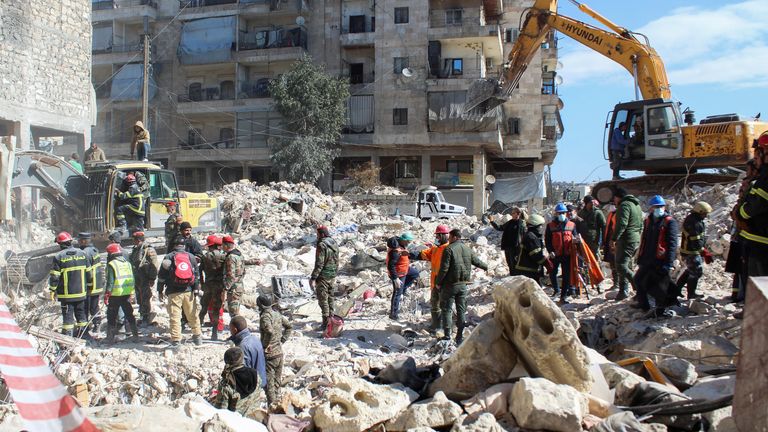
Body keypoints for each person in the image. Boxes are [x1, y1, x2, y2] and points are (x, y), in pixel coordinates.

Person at [435, 229, 488, 344]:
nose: (448, 239)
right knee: (461, 310)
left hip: (450, 285)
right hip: (463, 285)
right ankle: (459, 336)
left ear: (454, 237)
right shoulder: (467, 248)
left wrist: (438, 282)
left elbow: (444, 268)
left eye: (449, 237)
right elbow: (477, 261)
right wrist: (486, 267)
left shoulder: (449, 249)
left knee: (447, 310)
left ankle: (447, 336)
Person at [632, 195, 679, 315]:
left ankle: (660, 310)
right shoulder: (648, 221)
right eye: (656, 206)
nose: (658, 208)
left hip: (661, 260)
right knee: (638, 280)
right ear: (651, 208)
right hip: (648, 258)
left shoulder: (670, 222)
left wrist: (669, 263)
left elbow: (672, 244)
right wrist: (640, 258)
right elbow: (645, 240)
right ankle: (644, 305)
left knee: (660, 286)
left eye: (660, 206)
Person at [157, 236, 202, 347]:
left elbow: (161, 275)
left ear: (173, 245)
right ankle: (197, 337)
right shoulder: (191, 257)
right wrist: (196, 289)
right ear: (184, 245)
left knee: (175, 316)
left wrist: (160, 290)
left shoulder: (168, 257)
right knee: (192, 315)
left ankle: (176, 341)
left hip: (173, 291)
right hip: (189, 291)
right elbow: (196, 275)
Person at [735, 132, 768, 279]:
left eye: (757, 156)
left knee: (759, 290)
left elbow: (753, 207)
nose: (755, 161)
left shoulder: (765, 179)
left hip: (760, 243)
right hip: (758, 242)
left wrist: (740, 212)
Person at [49, 232, 91, 337]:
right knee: (81, 316)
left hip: (66, 296)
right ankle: (84, 336)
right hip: (81, 293)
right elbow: (89, 274)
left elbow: (55, 276)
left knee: (68, 318)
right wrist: (89, 287)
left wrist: (52, 290)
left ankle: (68, 338)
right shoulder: (82, 254)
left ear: (61, 244)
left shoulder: (59, 256)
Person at [257, 294, 292, 410]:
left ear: (261, 305)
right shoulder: (277, 314)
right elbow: (289, 327)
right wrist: (282, 340)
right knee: (277, 383)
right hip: (279, 353)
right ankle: (279, 406)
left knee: (269, 386)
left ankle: (273, 409)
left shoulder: (265, 317)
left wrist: (264, 345)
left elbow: (269, 331)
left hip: (269, 355)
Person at [415, 225, 451, 334]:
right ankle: (436, 324)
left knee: (444, 305)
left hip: (445, 282)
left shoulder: (449, 249)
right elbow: (425, 254)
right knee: (434, 303)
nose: (437, 238)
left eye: (439, 236)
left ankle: (446, 328)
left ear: (444, 235)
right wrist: (411, 254)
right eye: (437, 236)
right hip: (434, 281)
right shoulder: (435, 248)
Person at [675, 201, 713, 300]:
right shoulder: (694, 223)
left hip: (690, 250)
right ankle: (691, 294)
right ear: (699, 212)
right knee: (696, 272)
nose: (705, 216)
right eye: (704, 213)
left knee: (690, 270)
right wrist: (703, 251)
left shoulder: (694, 220)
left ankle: (676, 290)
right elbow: (695, 241)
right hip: (691, 251)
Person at [611, 188, 643, 301]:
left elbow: (622, 224)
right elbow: (641, 224)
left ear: (617, 197)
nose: (614, 201)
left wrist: (614, 238)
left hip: (626, 240)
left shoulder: (624, 206)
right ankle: (623, 291)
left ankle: (639, 286)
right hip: (635, 239)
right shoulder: (636, 206)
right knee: (628, 265)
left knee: (621, 265)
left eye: (614, 198)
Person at [104, 243, 139, 344]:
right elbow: (132, 278)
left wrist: (107, 294)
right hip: (126, 293)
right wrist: (132, 292)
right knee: (130, 314)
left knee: (111, 316)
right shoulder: (127, 263)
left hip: (115, 295)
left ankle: (109, 339)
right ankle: (135, 335)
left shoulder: (112, 264)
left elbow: (110, 281)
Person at [211, 347, 261, 416]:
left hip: (236, 422)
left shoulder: (226, 384)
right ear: (242, 359)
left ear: (226, 361)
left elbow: (221, 412)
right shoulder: (255, 374)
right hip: (254, 417)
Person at [545, 203, 577, 303]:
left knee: (566, 275)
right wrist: (550, 251)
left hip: (567, 254)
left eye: (563, 213)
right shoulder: (550, 226)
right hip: (555, 254)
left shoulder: (571, 225)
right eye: (559, 213)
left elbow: (575, 237)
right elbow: (547, 240)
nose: (561, 215)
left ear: (566, 213)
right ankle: (556, 290)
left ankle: (563, 296)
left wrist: (576, 241)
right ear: (556, 213)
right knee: (552, 272)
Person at [310, 226, 339, 330]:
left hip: (323, 276)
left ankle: (326, 323)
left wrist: (313, 278)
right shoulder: (333, 242)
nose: (317, 237)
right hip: (332, 275)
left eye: (317, 235)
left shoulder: (322, 245)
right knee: (331, 297)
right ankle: (332, 319)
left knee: (323, 299)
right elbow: (336, 260)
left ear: (321, 234)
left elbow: (319, 263)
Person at [228, 316, 267, 392]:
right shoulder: (255, 338)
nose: (230, 332)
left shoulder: (243, 346)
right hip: (261, 380)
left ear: (235, 330)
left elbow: (243, 372)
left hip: (253, 386)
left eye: (230, 329)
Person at [387, 232, 420, 320]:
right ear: (403, 240)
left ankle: (403, 289)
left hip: (404, 269)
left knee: (415, 273)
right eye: (407, 242)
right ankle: (393, 314)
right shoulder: (395, 251)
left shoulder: (401, 246)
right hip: (398, 273)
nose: (408, 243)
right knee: (397, 293)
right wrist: (395, 278)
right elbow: (391, 265)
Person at [129, 231, 158, 326]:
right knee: (140, 297)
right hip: (138, 278)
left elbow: (154, 265)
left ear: (137, 240)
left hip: (145, 278)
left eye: (133, 239)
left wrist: (152, 278)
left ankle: (146, 317)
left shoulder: (148, 250)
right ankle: (142, 315)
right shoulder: (136, 249)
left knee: (146, 297)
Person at [77, 232, 104, 336]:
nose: (78, 242)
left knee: (85, 307)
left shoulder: (85, 253)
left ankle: (85, 329)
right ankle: (97, 325)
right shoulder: (94, 250)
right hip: (96, 284)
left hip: (90, 285)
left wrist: (87, 286)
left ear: (83, 241)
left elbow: (87, 272)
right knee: (94, 306)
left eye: (79, 240)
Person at [200, 235, 225, 340]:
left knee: (204, 307)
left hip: (208, 285)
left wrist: (201, 283)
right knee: (217, 308)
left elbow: (199, 271)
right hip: (219, 286)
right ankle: (215, 332)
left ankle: (197, 329)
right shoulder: (223, 257)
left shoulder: (205, 257)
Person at [490, 208, 526, 276]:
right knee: (509, 263)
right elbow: (500, 228)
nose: (511, 214)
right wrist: (492, 221)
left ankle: (516, 278)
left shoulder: (521, 224)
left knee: (515, 264)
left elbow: (524, 236)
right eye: (511, 213)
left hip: (516, 248)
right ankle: (512, 276)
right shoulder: (510, 222)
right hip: (508, 247)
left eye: (513, 213)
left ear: (518, 214)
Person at [514, 214, 547, 281]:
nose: (541, 227)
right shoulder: (532, 237)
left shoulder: (530, 235)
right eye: (540, 226)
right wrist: (547, 263)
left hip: (525, 269)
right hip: (528, 270)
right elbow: (536, 255)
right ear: (536, 226)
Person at [222, 235, 245, 318]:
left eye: (222, 245)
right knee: (236, 309)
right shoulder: (239, 255)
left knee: (233, 312)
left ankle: (238, 329)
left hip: (233, 289)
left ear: (225, 245)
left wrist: (225, 289)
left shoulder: (230, 257)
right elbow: (243, 271)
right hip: (239, 286)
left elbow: (231, 276)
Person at [602, 204, 618, 289]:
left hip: (616, 243)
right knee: (612, 263)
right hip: (610, 242)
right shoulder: (611, 215)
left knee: (616, 263)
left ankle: (618, 283)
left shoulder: (618, 214)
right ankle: (616, 282)